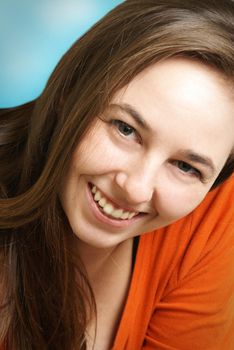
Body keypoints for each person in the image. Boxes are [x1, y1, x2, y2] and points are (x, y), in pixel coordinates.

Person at [0, 0, 234, 349]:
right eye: (125, 129)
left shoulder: (214, 209)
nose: (136, 189)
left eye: (186, 167)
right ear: (70, 93)